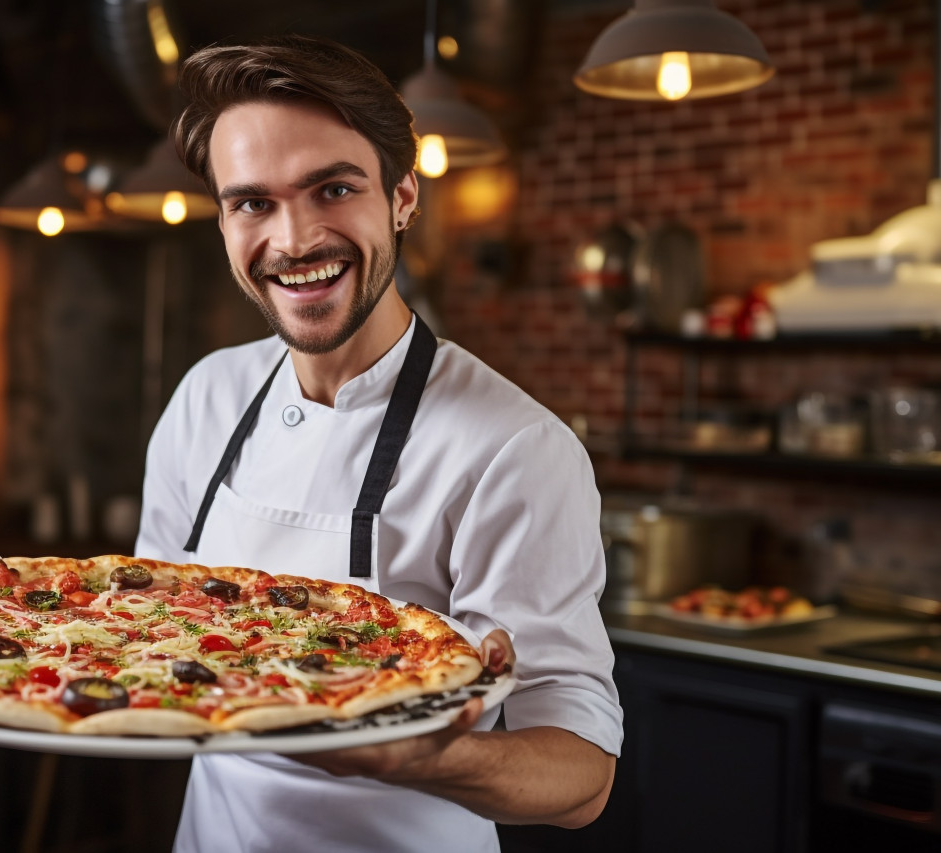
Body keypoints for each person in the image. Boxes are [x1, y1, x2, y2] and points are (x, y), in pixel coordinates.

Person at [134, 34, 622, 853]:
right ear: (221, 219)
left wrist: (410, 756)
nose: (293, 241)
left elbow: (581, 777)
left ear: (401, 197)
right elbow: (147, 628)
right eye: (252, 202)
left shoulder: (515, 446)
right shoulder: (205, 399)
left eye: (332, 188)